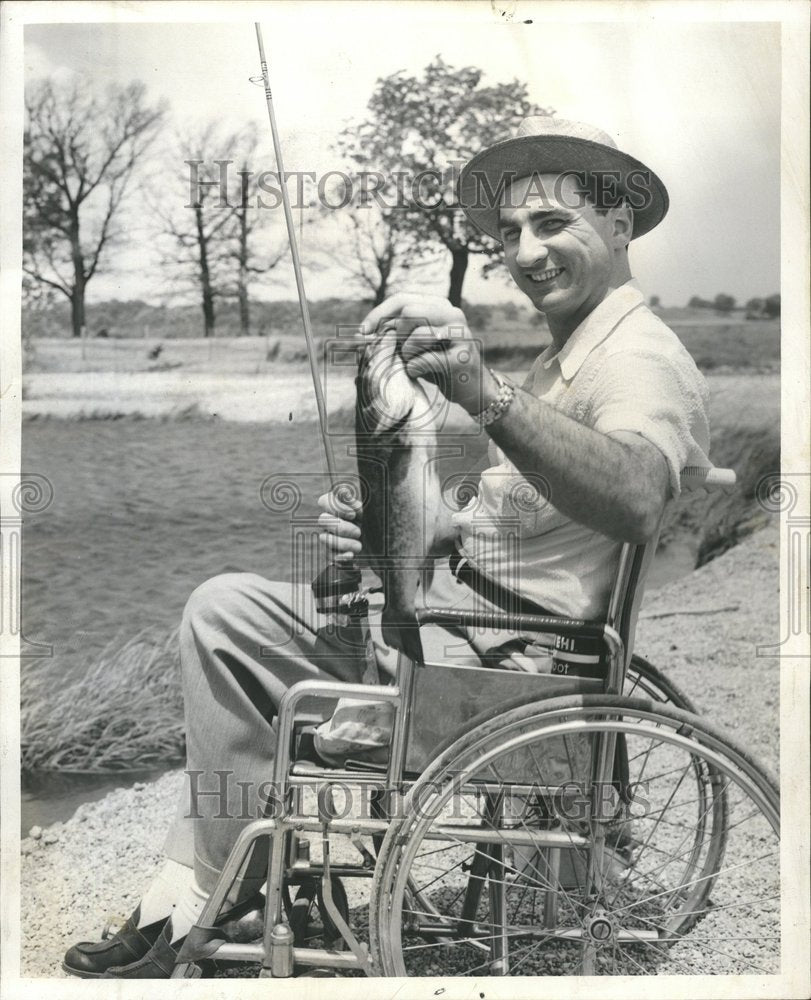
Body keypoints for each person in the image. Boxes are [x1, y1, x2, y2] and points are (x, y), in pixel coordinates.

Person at [63, 116, 710, 979]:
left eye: (552, 224)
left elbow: (634, 497)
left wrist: (482, 389)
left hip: (495, 675)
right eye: (510, 233)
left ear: (621, 225)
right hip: (460, 630)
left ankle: (203, 898)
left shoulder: (635, 359)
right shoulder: (572, 356)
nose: (525, 251)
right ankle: (198, 888)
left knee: (221, 618)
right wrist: (395, 522)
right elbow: (527, 519)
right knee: (236, 604)